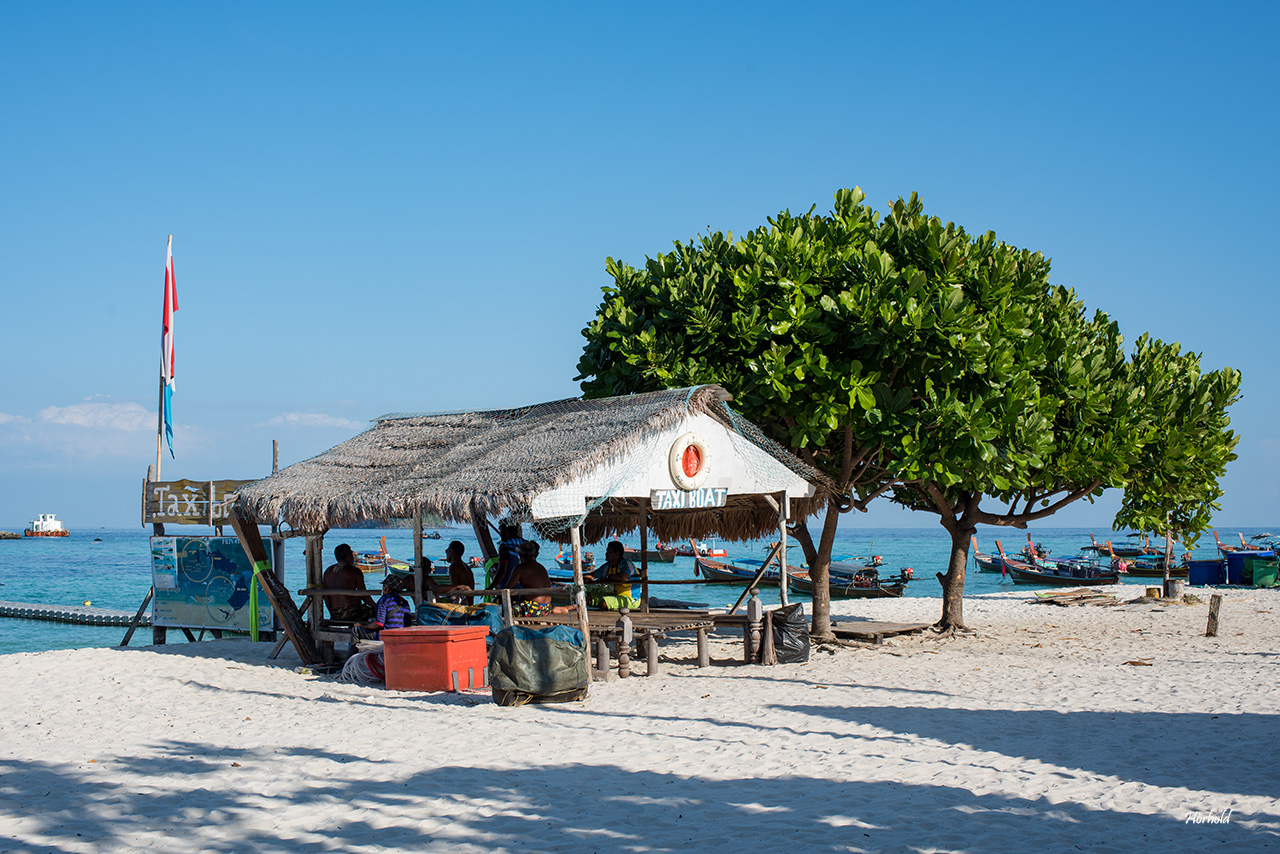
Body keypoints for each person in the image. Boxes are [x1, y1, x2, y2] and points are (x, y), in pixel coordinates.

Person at [503, 540, 571, 616]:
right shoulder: (541, 567)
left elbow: (508, 587)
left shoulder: (520, 568)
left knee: (502, 609)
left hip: (533, 609)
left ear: (519, 554)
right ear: (534, 554)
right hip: (547, 609)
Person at [352, 570, 415, 641]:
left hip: (387, 636)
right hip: (402, 635)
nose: (383, 589)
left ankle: (353, 652)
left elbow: (379, 624)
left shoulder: (385, 599)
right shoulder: (405, 602)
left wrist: (362, 625)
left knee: (356, 630)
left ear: (387, 588)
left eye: (384, 586)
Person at [322, 543, 374, 622]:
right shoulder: (354, 571)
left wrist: (332, 614)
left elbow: (326, 597)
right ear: (348, 556)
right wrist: (376, 606)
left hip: (335, 613)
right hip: (353, 613)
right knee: (380, 613)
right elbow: (364, 595)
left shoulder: (327, 571)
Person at [588, 541, 639, 609]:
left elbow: (623, 577)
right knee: (589, 597)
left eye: (610, 552)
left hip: (630, 598)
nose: (606, 554)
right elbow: (593, 575)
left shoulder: (626, 563)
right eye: (607, 552)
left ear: (617, 554)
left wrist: (607, 578)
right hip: (615, 595)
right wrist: (579, 577)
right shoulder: (608, 566)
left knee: (604, 602)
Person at [426, 540, 476, 605]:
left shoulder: (454, 566)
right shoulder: (465, 566)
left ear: (451, 552)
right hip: (470, 602)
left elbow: (454, 588)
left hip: (463, 603)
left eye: (446, 551)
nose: (446, 554)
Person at [493, 519, 525, 588]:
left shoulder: (505, 547)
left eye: (501, 531)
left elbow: (502, 572)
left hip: (509, 587)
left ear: (507, 531)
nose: (500, 534)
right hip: (524, 586)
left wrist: (491, 586)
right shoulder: (525, 544)